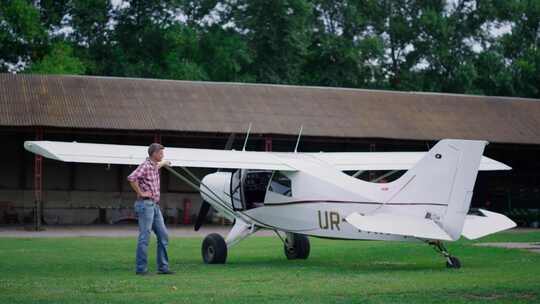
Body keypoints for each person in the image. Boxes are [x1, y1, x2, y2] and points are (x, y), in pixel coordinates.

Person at [127, 143, 174, 275]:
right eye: (161, 153)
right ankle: (141, 269)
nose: (163, 154)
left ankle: (163, 268)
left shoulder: (153, 166)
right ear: (154, 153)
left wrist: (164, 162)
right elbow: (131, 178)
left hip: (154, 205)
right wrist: (141, 193)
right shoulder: (145, 166)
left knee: (163, 235)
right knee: (145, 237)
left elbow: (157, 166)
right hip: (145, 204)